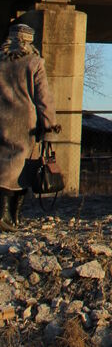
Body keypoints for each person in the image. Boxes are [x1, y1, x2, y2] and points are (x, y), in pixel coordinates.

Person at [0, 22, 57, 231]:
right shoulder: (35, 63)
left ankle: (4, 213)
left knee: (4, 166)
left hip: (2, 119)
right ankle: (13, 215)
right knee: (24, 166)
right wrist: (50, 124)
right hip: (25, 123)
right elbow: (43, 98)